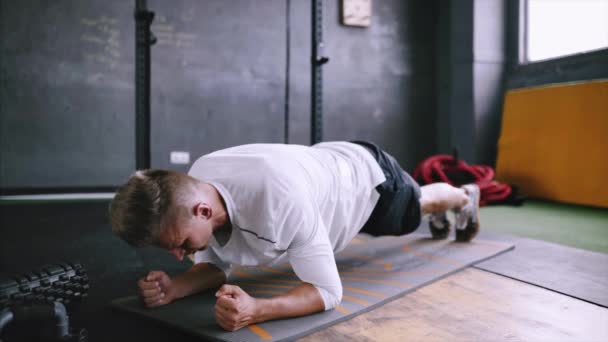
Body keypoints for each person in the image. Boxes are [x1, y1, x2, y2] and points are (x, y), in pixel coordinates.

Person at [109, 141, 480, 331]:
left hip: (370, 183)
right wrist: (176, 287)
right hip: (323, 166)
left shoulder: (278, 203)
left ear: (203, 212)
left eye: (182, 245)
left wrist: (257, 310)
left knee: (422, 203)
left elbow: (329, 292)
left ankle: (465, 196)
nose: (179, 255)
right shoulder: (198, 182)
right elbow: (218, 265)